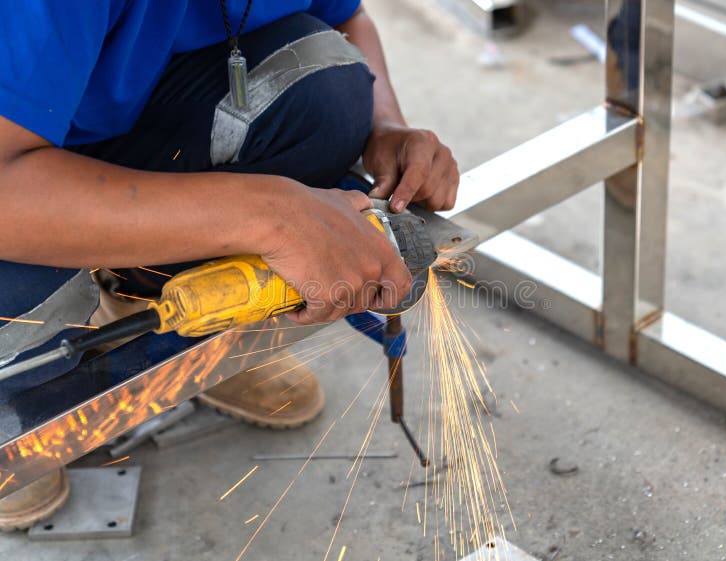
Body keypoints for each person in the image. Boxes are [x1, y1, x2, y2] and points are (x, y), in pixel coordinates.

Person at [0, 0, 459, 531]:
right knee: (19, 285)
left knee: (326, 90)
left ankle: (145, 297)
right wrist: (268, 214)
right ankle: (19, 402)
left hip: (93, 114)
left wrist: (386, 126)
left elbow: (347, 20)